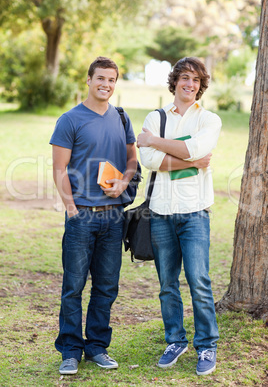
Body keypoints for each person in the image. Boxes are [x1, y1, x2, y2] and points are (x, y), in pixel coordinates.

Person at [50, 56, 137, 375]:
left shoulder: (121, 117)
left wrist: (125, 182)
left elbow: (132, 160)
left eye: (112, 80)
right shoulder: (70, 119)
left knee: (107, 286)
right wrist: (71, 207)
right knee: (73, 285)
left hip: (114, 218)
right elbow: (59, 169)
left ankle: (97, 347)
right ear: (88, 80)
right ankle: (70, 350)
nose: (106, 84)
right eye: (100, 78)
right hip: (81, 217)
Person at [137, 57, 221, 376]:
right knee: (167, 283)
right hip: (160, 213)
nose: (190, 84)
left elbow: (195, 150)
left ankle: (207, 345)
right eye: (185, 78)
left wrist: (157, 143)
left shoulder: (209, 120)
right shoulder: (155, 116)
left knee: (199, 280)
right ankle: (175, 339)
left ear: (201, 86)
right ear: (175, 82)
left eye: (196, 80)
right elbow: (149, 159)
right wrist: (189, 159)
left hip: (195, 213)